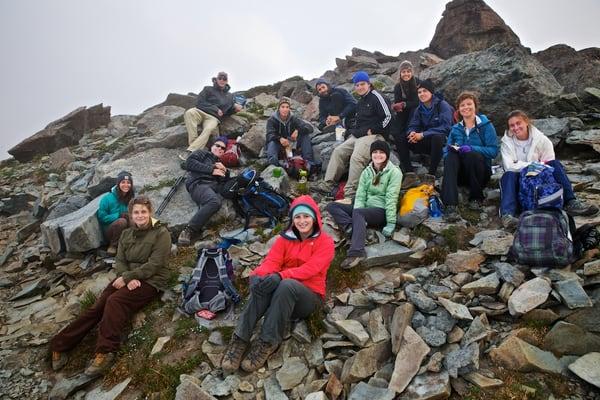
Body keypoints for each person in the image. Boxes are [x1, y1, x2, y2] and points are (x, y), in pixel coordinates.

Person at [50, 196, 171, 376]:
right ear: (130, 215)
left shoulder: (162, 233)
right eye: (136, 212)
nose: (140, 216)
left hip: (152, 280)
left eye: (143, 212)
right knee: (97, 306)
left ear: (150, 212)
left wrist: (130, 276)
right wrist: (127, 277)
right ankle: (59, 345)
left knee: (115, 301)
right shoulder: (126, 234)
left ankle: (105, 352)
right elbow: (120, 260)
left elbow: (155, 264)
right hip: (128, 278)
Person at [220, 195, 334, 373]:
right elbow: (272, 261)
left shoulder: (325, 242)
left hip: (309, 298)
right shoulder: (285, 239)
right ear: (292, 219)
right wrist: (259, 275)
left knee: (286, 284)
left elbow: (311, 269)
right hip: (282, 293)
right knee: (264, 282)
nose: (302, 221)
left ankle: (267, 342)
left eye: (306, 216)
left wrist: (281, 275)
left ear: (314, 217)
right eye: (297, 217)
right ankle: (240, 338)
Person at [500, 110, 599, 229]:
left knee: (555, 164)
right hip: (518, 177)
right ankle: (507, 215)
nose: (516, 127)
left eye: (518, 123)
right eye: (512, 125)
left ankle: (570, 201)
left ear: (526, 122)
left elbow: (548, 163)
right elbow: (509, 166)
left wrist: (525, 165)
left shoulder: (541, 140)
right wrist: (533, 164)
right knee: (508, 175)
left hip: (538, 178)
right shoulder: (506, 143)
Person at [315, 71, 392, 199]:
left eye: (362, 84)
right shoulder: (361, 101)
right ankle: (328, 184)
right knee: (338, 151)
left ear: (369, 84)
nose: (360, 87)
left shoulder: (376, 96)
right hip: (359, 135)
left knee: (356, 157)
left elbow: (388, 117)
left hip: (374, 136)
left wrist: (374, 130)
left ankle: (350, 192)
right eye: (357, 85)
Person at [326, 140, 402, 269]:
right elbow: (360, 195)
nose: (378, 155)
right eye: (375, 152)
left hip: (380, 211)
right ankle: (351, 227)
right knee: (332, 206)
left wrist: (390, 224)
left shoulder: (394, 173)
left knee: (359, 212)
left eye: (381, 152)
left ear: (387, 155)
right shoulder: (367, 171)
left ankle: (356, 252)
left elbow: (391, 199)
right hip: (365, 209)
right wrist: (358, 212)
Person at [441, 92, 499, 222]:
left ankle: (476, 198)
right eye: (462, 105)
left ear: (475, 106)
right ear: (458, 109)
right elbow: (445, 149)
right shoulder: (456, 128)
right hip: (460, 175)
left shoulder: (486, 125)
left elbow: (494, 151)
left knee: (472, 155)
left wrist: (472, 148)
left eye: (469, 104)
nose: (466, 107)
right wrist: (451, 151)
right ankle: (450, 205)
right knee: (450, 156)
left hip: (480, 173)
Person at [178, 136, 231, 246]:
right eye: (218, 145)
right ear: (211, 146)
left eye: (223, 148)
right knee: (214, 202)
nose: (220, 148)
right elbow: (189, 163)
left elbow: (224, 182)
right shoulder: (202, 153)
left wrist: (226, 172)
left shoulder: (220, 164)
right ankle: (188, 230)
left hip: (214, 187)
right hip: (199, 184)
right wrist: (212, 170)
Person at [398, 79, 453, 182]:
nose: (422, 94)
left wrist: (423, 134)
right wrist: (412, 133)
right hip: (424, 141)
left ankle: (431, 175)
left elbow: (446, 127)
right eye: (419, 92)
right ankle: (410, 174)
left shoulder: (442, 105)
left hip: (439, 144)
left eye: (425, 91)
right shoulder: (419, 109)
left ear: (431, 92)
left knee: (438, 137)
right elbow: (413, 124)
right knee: (401, 138)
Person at [181, 71, 242, 158]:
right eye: (220, 78)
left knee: (209, 129)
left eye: (224, 79)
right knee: (189, 113)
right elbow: (199, 102)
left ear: (227, 81)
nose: (222, 80)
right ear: (216, 79)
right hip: (199, 111)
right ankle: (194, 145)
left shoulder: (230, 96)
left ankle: (191, 151)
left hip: (213, 118)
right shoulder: (208, 89)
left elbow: (227, 111)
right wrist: (215, 109)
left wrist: (235, 110)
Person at [390, 61, 420, 188]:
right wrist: (397, 106)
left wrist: (404, 104)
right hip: (402, 115)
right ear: (400, 73)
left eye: (408, 71)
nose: (406, 74)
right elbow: (398, 102)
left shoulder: (417, 83)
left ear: (412, 72)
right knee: (397, 135)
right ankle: (409, 171)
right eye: (403, 72)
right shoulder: (398, 87)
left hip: (414, 113)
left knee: (406, 135)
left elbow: (417, 102)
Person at [265, 97, 316, 171]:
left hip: (291, 143)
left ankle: (309, 164)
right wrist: (280, 138)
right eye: (282, 107)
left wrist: (298, 130)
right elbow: (269, 134)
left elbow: (309, 127)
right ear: (278, 108)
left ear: (289, 108)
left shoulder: (293, 118)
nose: (285, 109)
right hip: (279, 144)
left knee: (305, 136)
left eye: (287, 107)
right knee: (272, 142)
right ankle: (275, 166)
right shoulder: (272, 120)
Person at [96, 171, 134, 256]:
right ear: (118, 184)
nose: (126, 185)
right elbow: (102, 218)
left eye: (128, 183)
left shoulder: (131, 198)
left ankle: (134, 243)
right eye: (123, 182)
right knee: (122, 221)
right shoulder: (107, 198)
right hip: (110, 231)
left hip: (126, 230)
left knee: (132, 218)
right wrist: (117, 215)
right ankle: (113, 246)